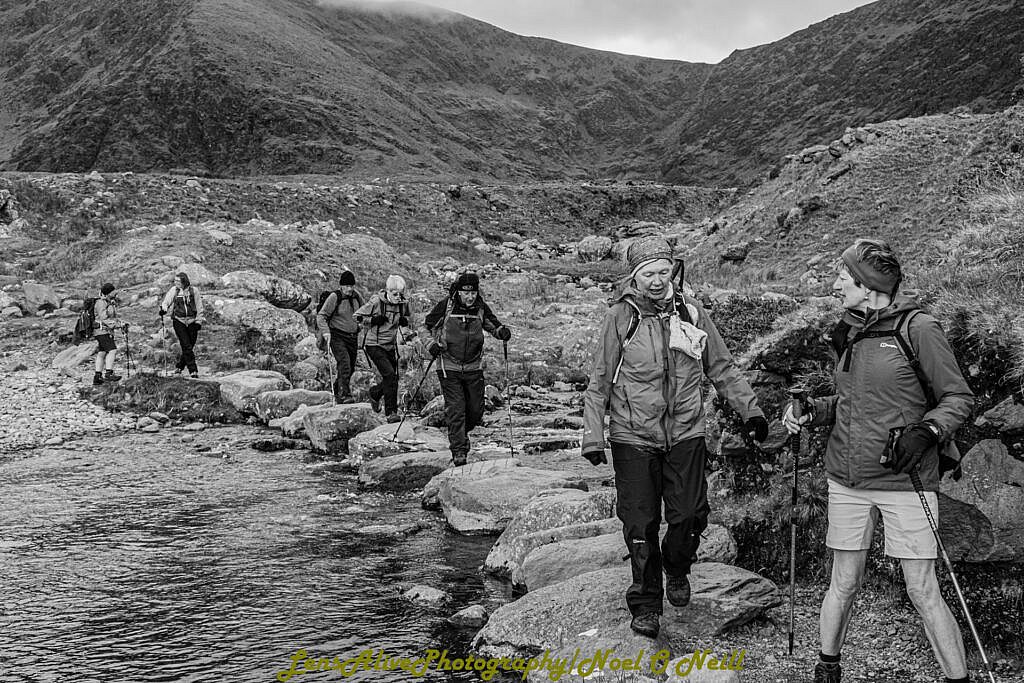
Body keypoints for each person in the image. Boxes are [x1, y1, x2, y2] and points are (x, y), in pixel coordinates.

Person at [782, 239, 974, 683]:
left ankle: (958, 678)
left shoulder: (919, 328)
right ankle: (827, 669)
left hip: (905, 480)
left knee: (922, 589)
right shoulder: (850, 329)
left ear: (868, 287)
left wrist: (926, 432)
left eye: (842, 278)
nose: (835, 285)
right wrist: (814, 410)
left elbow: (957, 397)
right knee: (843, 582)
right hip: (846, 478)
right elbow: (851, 402)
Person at [581, 235, 769, 639]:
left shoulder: (692, 313)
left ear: (673, 270)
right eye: (647, 273)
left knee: (689, 515)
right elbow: (599, 382)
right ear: (634, 276)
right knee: (639, 523)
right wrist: (593, 436)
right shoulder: (620, 317)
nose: (656, 280)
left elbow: (722, 367)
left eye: (663, 272)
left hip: (686, 430)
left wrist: (750, 410)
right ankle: (646, 603)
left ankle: (678, 565)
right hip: (633, 436)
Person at [423, 272, 511, 466]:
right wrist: (431, 344)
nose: (470, 297)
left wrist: (502, 332)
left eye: (473, 293)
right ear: (459, 292)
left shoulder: (480, 308)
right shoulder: (446, 306)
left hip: (473, 367)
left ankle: (461, 434)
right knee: (456, 409)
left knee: (475, 411)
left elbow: (494, 326)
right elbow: (426, 327)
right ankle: (459, 451)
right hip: (448, 366)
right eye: (466, 293)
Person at [356, 274, 415, 423]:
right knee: (390, 376)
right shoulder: (376, 302)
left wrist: (404, 322)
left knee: (393, 379)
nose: (397, 297)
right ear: (388, 291)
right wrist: (373, 320)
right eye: (394, 294)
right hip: (374, 344)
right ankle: (391, 413)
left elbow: (408, 318)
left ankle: (375, 393)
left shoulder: (402, 304)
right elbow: (357, 317)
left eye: (400, 294)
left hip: (390, 345)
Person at [316, 271, 363, 403]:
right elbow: (321, 316)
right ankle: (344, 395)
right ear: (341, 286)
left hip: (352, 337)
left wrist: (361, 324)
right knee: (345, 364)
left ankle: (337, 389)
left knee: (351, 367)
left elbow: (365, 310)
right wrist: (325, 332)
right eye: (347, 286)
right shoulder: (334, 297)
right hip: (337, 335)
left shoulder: (357, 296)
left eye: (352, 286)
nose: (350, 289)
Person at [159, 272, 204, 377]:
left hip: (192, 321)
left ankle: (179, 366)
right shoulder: (174, 290)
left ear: (184, 281)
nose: (176, 283)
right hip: (179, 321)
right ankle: (193, 370)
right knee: (186, 345)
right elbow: (166, 302)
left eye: (178, 281)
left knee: (189, 346)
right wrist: (164, 310)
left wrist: (198, 321)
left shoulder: (194, 291)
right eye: (175, 281)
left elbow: (199, 306)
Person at [92, 282, 128, 385]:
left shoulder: (107, 302)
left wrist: (119, 322)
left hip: (102, 331)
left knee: (102, 352)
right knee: (112, 350)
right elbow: (104, 318)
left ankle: (97, 376)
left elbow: (111, 317)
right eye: (113, 291)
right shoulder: (101, 303)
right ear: (108, 292)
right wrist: (117, 325)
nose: (115, 293)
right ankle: (109, 373)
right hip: (103, 331)